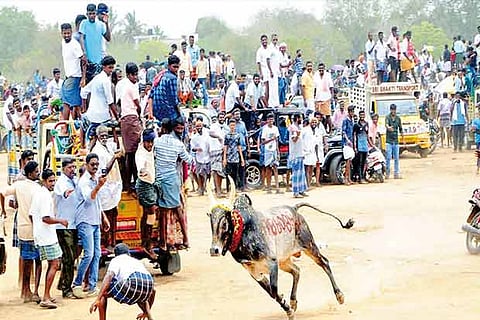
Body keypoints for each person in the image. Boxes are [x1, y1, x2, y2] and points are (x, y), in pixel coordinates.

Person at [0, 161, 42, 303]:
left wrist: (3, 210)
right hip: (34, 228)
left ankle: (25, 290)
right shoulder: (37, 188)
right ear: (30, 173)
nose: (38, 173)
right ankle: (30, 291)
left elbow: (2, 193)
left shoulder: (18, 185)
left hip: (23, 227)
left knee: (26, 260)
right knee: (36, 260)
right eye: (36, 171)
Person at [72, 153, 111, 298]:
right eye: (92, 164)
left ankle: (92, 285)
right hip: (85, 221)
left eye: (96, 164)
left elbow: (97, 202)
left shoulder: (95, 179)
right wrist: (99, 186)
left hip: (95, 220)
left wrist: (104, 218)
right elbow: (89, 199)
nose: (95, 166)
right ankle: (77, 283)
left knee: (97, 254)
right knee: (88, 254)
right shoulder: (84, 182)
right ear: (87, 165)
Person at [30, 169, 68, 309]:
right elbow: (46, 218)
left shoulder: (39, 193)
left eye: (54, 180)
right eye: (50, 181)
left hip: (42, 235)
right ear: (44, 181)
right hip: (47, 237)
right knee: (55, 263)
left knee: (52, 263)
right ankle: (46, 296)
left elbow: (32, 215)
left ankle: (47, 294)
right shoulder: (44, 196)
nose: (53, 183)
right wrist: (60, 221)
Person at [154, 117, 193, 251]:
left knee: (164, 212)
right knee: (177, 208)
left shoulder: (157, 142)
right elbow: (189, 159)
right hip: (173, 178)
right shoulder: (178, 144)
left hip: (161, 180)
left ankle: (164, 242)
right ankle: (186, 239)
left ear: (163, 129)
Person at [89, 243, 156, 320]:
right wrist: (147, 311)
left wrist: (98, 298)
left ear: (116, 255)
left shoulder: (116, 260)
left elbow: (109, 276)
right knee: (140, 293)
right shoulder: (136, 261)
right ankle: (149, 315)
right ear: (128, 253)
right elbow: (153, 290)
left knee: (104, 292)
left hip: (131, 284)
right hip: (149, 284)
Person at [91, 126, 123, 250]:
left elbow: (116, 145)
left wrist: (114, 131)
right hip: (105, 186)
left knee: (114, 213)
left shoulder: (108, 146)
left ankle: (113, 241)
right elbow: (104, 171)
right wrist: (114, 158)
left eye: (106, 135)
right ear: (98, 136)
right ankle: (106, 242)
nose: (104, 137)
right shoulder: (97, 151)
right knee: (106, 216)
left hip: (114, 185)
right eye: (102, 135)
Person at [54, 159, 81, 299]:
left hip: (74, 224)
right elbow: (66, 193)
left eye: (74, 167)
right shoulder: (61, 183)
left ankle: (62, 283)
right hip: (64, 226)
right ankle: (66, 289)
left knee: (73, 255)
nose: (72, 170)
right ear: (63, 168)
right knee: (69, 257)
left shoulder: (74, 180)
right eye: (70, 167)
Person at [80, 55, 118, 148]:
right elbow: (110, 101)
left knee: (83, 123)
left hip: (91, 115)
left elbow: (83, 92)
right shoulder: (105, 81)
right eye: (109, 68)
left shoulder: (97, 78)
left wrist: (84, 109)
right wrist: (117, 117)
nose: (111, 70)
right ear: (103, 67)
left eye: (112, 68)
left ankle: (82, 146)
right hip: (102, 117)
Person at [117, 62, 142, 193]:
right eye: (134, 75)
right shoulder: (132, 86)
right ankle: (133, 182)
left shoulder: (122, 85)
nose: (136, 77)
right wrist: (140, 115)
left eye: (137, 74)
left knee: (129, 153)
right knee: (134, 153)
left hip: (124, 119)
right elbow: (138, 105)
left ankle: (129, 183)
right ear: (128, 75)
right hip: (131, 118)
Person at [135, 129, 157, 259]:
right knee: (151, 214)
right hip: (145, 185)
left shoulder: (148, 149)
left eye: (151, 142)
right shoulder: (141, 154)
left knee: (147, 214)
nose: (150, 145)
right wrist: (144, 172)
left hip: (149, 184)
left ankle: (145, 241)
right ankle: (147, 244)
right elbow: (141, 169)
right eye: (148, 142)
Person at [61, 22, 84, 120]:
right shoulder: (63, 42)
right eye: (65, 33)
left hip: (75, 77)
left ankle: (64, 126)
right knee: (76, 105)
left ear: (71, 32)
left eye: (68, 33)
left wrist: (83, 78)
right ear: (61, 33)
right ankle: (79, 126)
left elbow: (83, 60)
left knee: (66, 103)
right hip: (69, 76)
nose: (67, 35)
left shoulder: (74, 44)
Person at [79, 3, 111, 72]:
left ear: (96, 13)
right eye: (90, 14)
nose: (92, 16)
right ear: (87, 14)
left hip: (99, 62)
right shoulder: (84, 23)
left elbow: (108, 38)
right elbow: (81, 38)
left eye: (93, 13)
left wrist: (106, 23)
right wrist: (84, 53)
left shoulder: (101, 25)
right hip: (88, 61)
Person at [148, 55, 181, 122]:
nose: (176, 69)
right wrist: (180, 114)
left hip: (156, 113)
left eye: (177, 67)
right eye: (174, 67)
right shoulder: (172, 78)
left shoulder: (160, 75)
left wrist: (150, 113)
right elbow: (174, 100)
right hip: (168, 113)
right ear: (168, 66)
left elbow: (150, 96)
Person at [261, 113, 282, 194]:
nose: (271, 121)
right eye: (269, 119)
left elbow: (276, 140)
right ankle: (269, 187)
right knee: (268, 169)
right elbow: (263, 142)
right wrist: (270, 140)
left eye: (272, 119)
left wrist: (278, 151)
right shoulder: (265, 129)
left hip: (274, 150)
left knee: (276, 168)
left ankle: (277, 187)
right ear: (267, 120)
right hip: (268, 150)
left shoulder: (275, 128)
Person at [288, 114, 307, 198]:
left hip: (300, 153)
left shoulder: (299, 127)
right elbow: (294, 140)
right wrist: (298, 135)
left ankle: (301, 190)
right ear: (297, 119)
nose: (301, 120)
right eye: (300, 118)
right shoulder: (292, 128)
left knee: (302, 173)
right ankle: (296, 192)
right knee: (296, 173)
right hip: (295, 154)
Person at [223, 118, 245, 189]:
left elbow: (239, 147)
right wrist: (224, 158)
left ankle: (234, 188)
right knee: (228, 174)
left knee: (235, 174)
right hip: (229, 157)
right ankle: (228, 189)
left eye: (233, 125)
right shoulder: (227, 136)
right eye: (231, 125)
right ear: (229, 126)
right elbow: (225, 147)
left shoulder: (237, 135)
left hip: (236, 157)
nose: (232, 127)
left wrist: (242, 158)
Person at [190, 119, 210, 195]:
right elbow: (192, 148)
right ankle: (200, 188)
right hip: (199, 158)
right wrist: (197, 149)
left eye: (200, 126)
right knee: (200, 174)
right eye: (197, 126)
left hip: (208, 157)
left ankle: (206, 187)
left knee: (208, 174)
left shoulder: (207, 133)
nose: (198, 127)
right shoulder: (194, 137)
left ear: (202, 126)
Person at [209, 114, 226, 196]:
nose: (222, 118)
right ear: (218, 118)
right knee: (215, 170)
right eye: (220, 117)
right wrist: (219, 137)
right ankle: (218, 191)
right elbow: (211, 133)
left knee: (220, 171)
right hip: (215, 150)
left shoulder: (225, 127)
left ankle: (218, 189)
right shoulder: (214, 125)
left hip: (222, 151)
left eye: (223, 117)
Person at [385, 104, 404, 179]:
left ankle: (396, 174)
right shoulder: (387, 117)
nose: (393, 111)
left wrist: (403, 137)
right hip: (389, 140)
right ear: (390, 110)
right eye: (392, 110)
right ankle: (387, 173)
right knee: (388, 157)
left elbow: (401, 128)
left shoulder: (398, 118)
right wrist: (388, 127)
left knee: (396, 158)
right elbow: (386, 125)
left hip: (396, 141)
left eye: (394, 110)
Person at [353, 110, 369, 183]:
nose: (362, 116)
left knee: (364, 162)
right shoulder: (356, 125)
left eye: (363, 114)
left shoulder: (366, 124)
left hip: (365, 146)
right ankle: (360, 178)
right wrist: (355, 147)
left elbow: (367, 135)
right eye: (361, 115)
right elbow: (354, 135)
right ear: (359, 116)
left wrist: (370, 145)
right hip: (359, 146)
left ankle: (363, 176)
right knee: (359, 162)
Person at [342, 105, 355, 185]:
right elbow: (343, 132)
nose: (352, 113)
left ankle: (349, 178)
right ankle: (346, 178)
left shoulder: (351, 120)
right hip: (346, 143)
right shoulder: (345, 120)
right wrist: (348, 140)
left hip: (350, 142)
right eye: (351, 111)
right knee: (347, 161)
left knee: (349, 161)